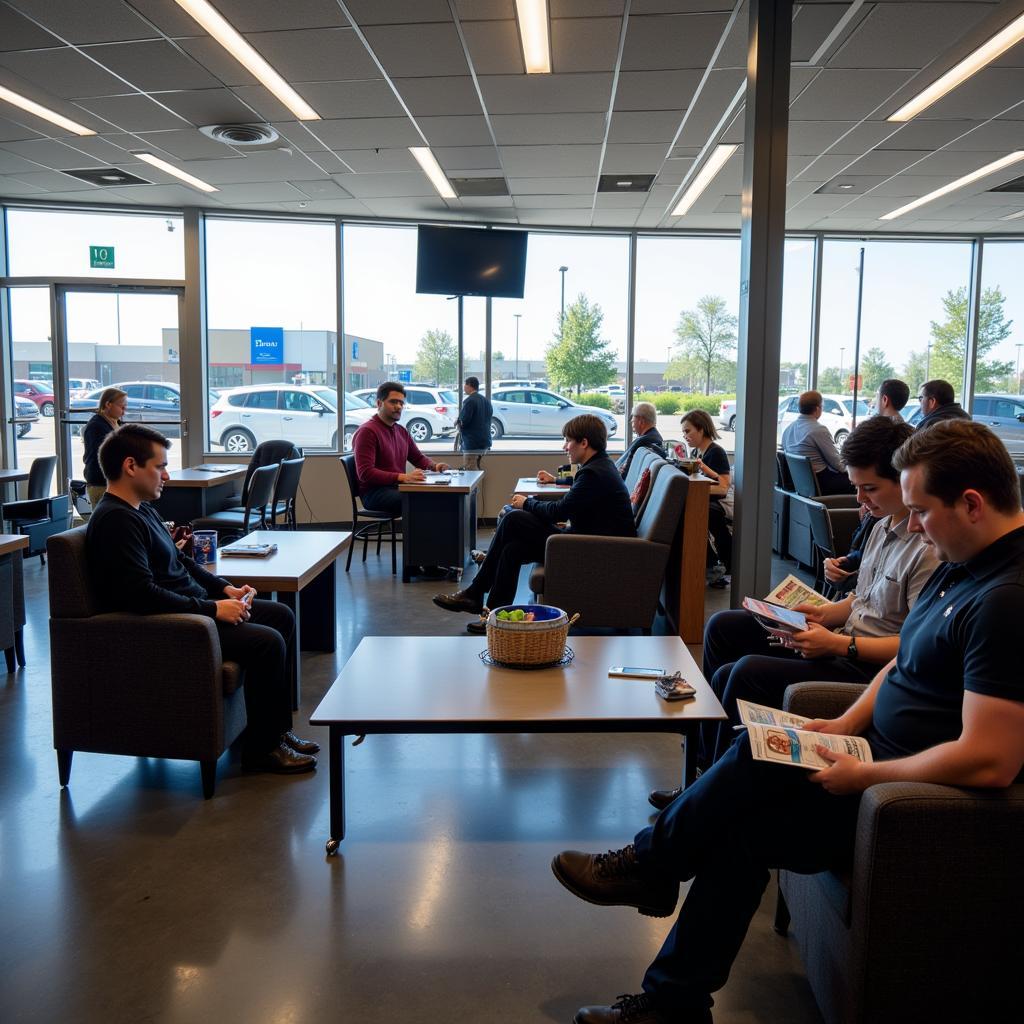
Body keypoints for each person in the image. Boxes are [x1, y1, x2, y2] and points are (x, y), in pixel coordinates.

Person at [552, 419, 1024, 1024]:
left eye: (922, 511)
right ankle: (673, 994)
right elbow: (906, 662)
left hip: (907, 794)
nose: (911, 526)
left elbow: (990, 757)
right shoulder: (967, 564)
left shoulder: (1007, 600)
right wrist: (844, 724)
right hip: (870, 753)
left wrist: (869, 772)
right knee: (746, 795)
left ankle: (650, 870)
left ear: (972, 504)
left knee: (750, 762)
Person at [650, 415, 938, 809]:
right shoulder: (880, 524)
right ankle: (703, 772)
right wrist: (823, 615)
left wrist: (836, 643)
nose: (860, 501)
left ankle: (711, 796)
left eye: (869, 489)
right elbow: (863, 599)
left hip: (863, 662)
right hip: (844, 638)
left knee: (745, 672)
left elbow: (913, 646)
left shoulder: (927, 550)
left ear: (904, 480)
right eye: (856, 489)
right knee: (724, 627)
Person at [86, 424, 318, 774]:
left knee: (281, 615)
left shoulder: (141, 508)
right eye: (159, 466)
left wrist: (224, 589)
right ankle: (262, 751)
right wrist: (212, 609)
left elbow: (182, 561)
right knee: (267, 643)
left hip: (193, 609)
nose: (166, 475)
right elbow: (140, 595)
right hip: (173, 626)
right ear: (130, 466)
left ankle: (275, 731)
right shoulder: (116, 521)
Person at [433, 414, 635, 634]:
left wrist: (527, 503)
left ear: (584, 443)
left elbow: (559, 510)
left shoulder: (594, 473)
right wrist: (534, 503)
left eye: (568, 440)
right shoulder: (600, 467)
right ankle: (495, 617)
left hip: (590, 549)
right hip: (586, 541)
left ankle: (475, 592)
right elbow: (572, 501)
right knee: (512, 550)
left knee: (512, 518)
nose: (565, 447)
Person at [353, 381, 451, 578]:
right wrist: (402, 477)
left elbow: (417, 458)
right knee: (420, 502)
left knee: (435, 500)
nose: (398, 406)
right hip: (375, 494)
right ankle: (418, 564)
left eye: (401, 403)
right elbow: (365, 473)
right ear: (379, 403)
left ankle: (427, 560)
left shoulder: (400, 430)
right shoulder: (367, 432)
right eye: (393, 402)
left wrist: (434, 466)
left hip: (396, 489)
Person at [679, 410, 732, 587]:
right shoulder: (696, 453)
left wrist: (703, 473)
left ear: (701, 429)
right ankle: (709, 565)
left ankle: (712, 566)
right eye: (683, 432)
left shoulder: (716, 452)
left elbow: (723, 486)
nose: (685, 436)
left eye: (688, 431)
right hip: (708, 501)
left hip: (720, 503)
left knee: (692, 514)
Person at [781, 389, 853, 495]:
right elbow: (838, 464)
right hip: (821, 483)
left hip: (800, 484)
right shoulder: (818, 430)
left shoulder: (788, 429)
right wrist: (854, 469)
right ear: (817, 408)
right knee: (857, 482)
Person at [82, 386, 127, 509]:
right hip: (100, 483)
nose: (124, 411)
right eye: (121, 407)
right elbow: (103, 455)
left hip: (111, 481)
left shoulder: (115, 423)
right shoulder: (96, 426)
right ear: (108, 404)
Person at [615, 402, 664, 477]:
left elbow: (625, 473)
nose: (631, 421)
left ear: (641, 421)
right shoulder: (655, 437)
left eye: (633, 417)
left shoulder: (643, 441)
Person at [457, 376, 492, 463]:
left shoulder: (469, 401)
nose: (464, 387)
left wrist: (458, 422)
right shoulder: (486, 401)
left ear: (469, 385)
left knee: (471, 470)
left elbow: (464, 421)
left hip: (472, 443)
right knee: (480, 469)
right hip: (485, 442)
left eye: (465, 384)